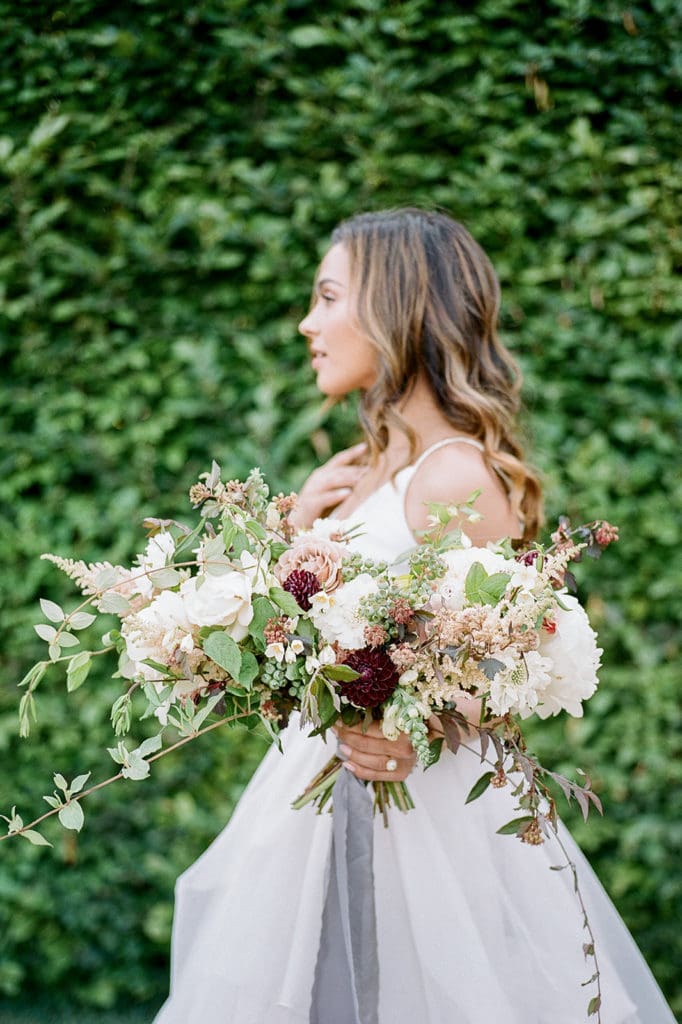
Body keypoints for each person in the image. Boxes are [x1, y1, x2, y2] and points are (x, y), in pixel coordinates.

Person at [154, 208, 675, 1023]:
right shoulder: (359, 467)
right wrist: (293, 539)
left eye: (327, 298)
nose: (307, 323)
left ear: (395, 309)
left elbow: (515, 660)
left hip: (419, 823)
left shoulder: (455, 473)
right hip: (314, 796)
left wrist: (419, 726)